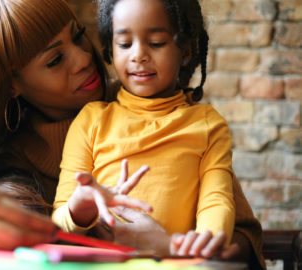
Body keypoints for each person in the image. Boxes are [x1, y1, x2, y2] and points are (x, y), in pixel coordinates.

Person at [0, 0, 265, 268]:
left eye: (78, 35)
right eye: (55, 59)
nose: (84, 58)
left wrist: (170, 246)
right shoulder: (12, 164)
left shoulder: (164, 111)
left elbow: (242, 235)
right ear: (11, 85)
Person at [52, 0, 264, 268]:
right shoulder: (91, 120)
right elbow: (59, 224)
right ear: (110, 51)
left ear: (185, 51)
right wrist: (79, 209)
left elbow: (216, 199)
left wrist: (206, 241)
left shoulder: (208, 125)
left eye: (156, 43)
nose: (138, 55)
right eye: (125, 44)